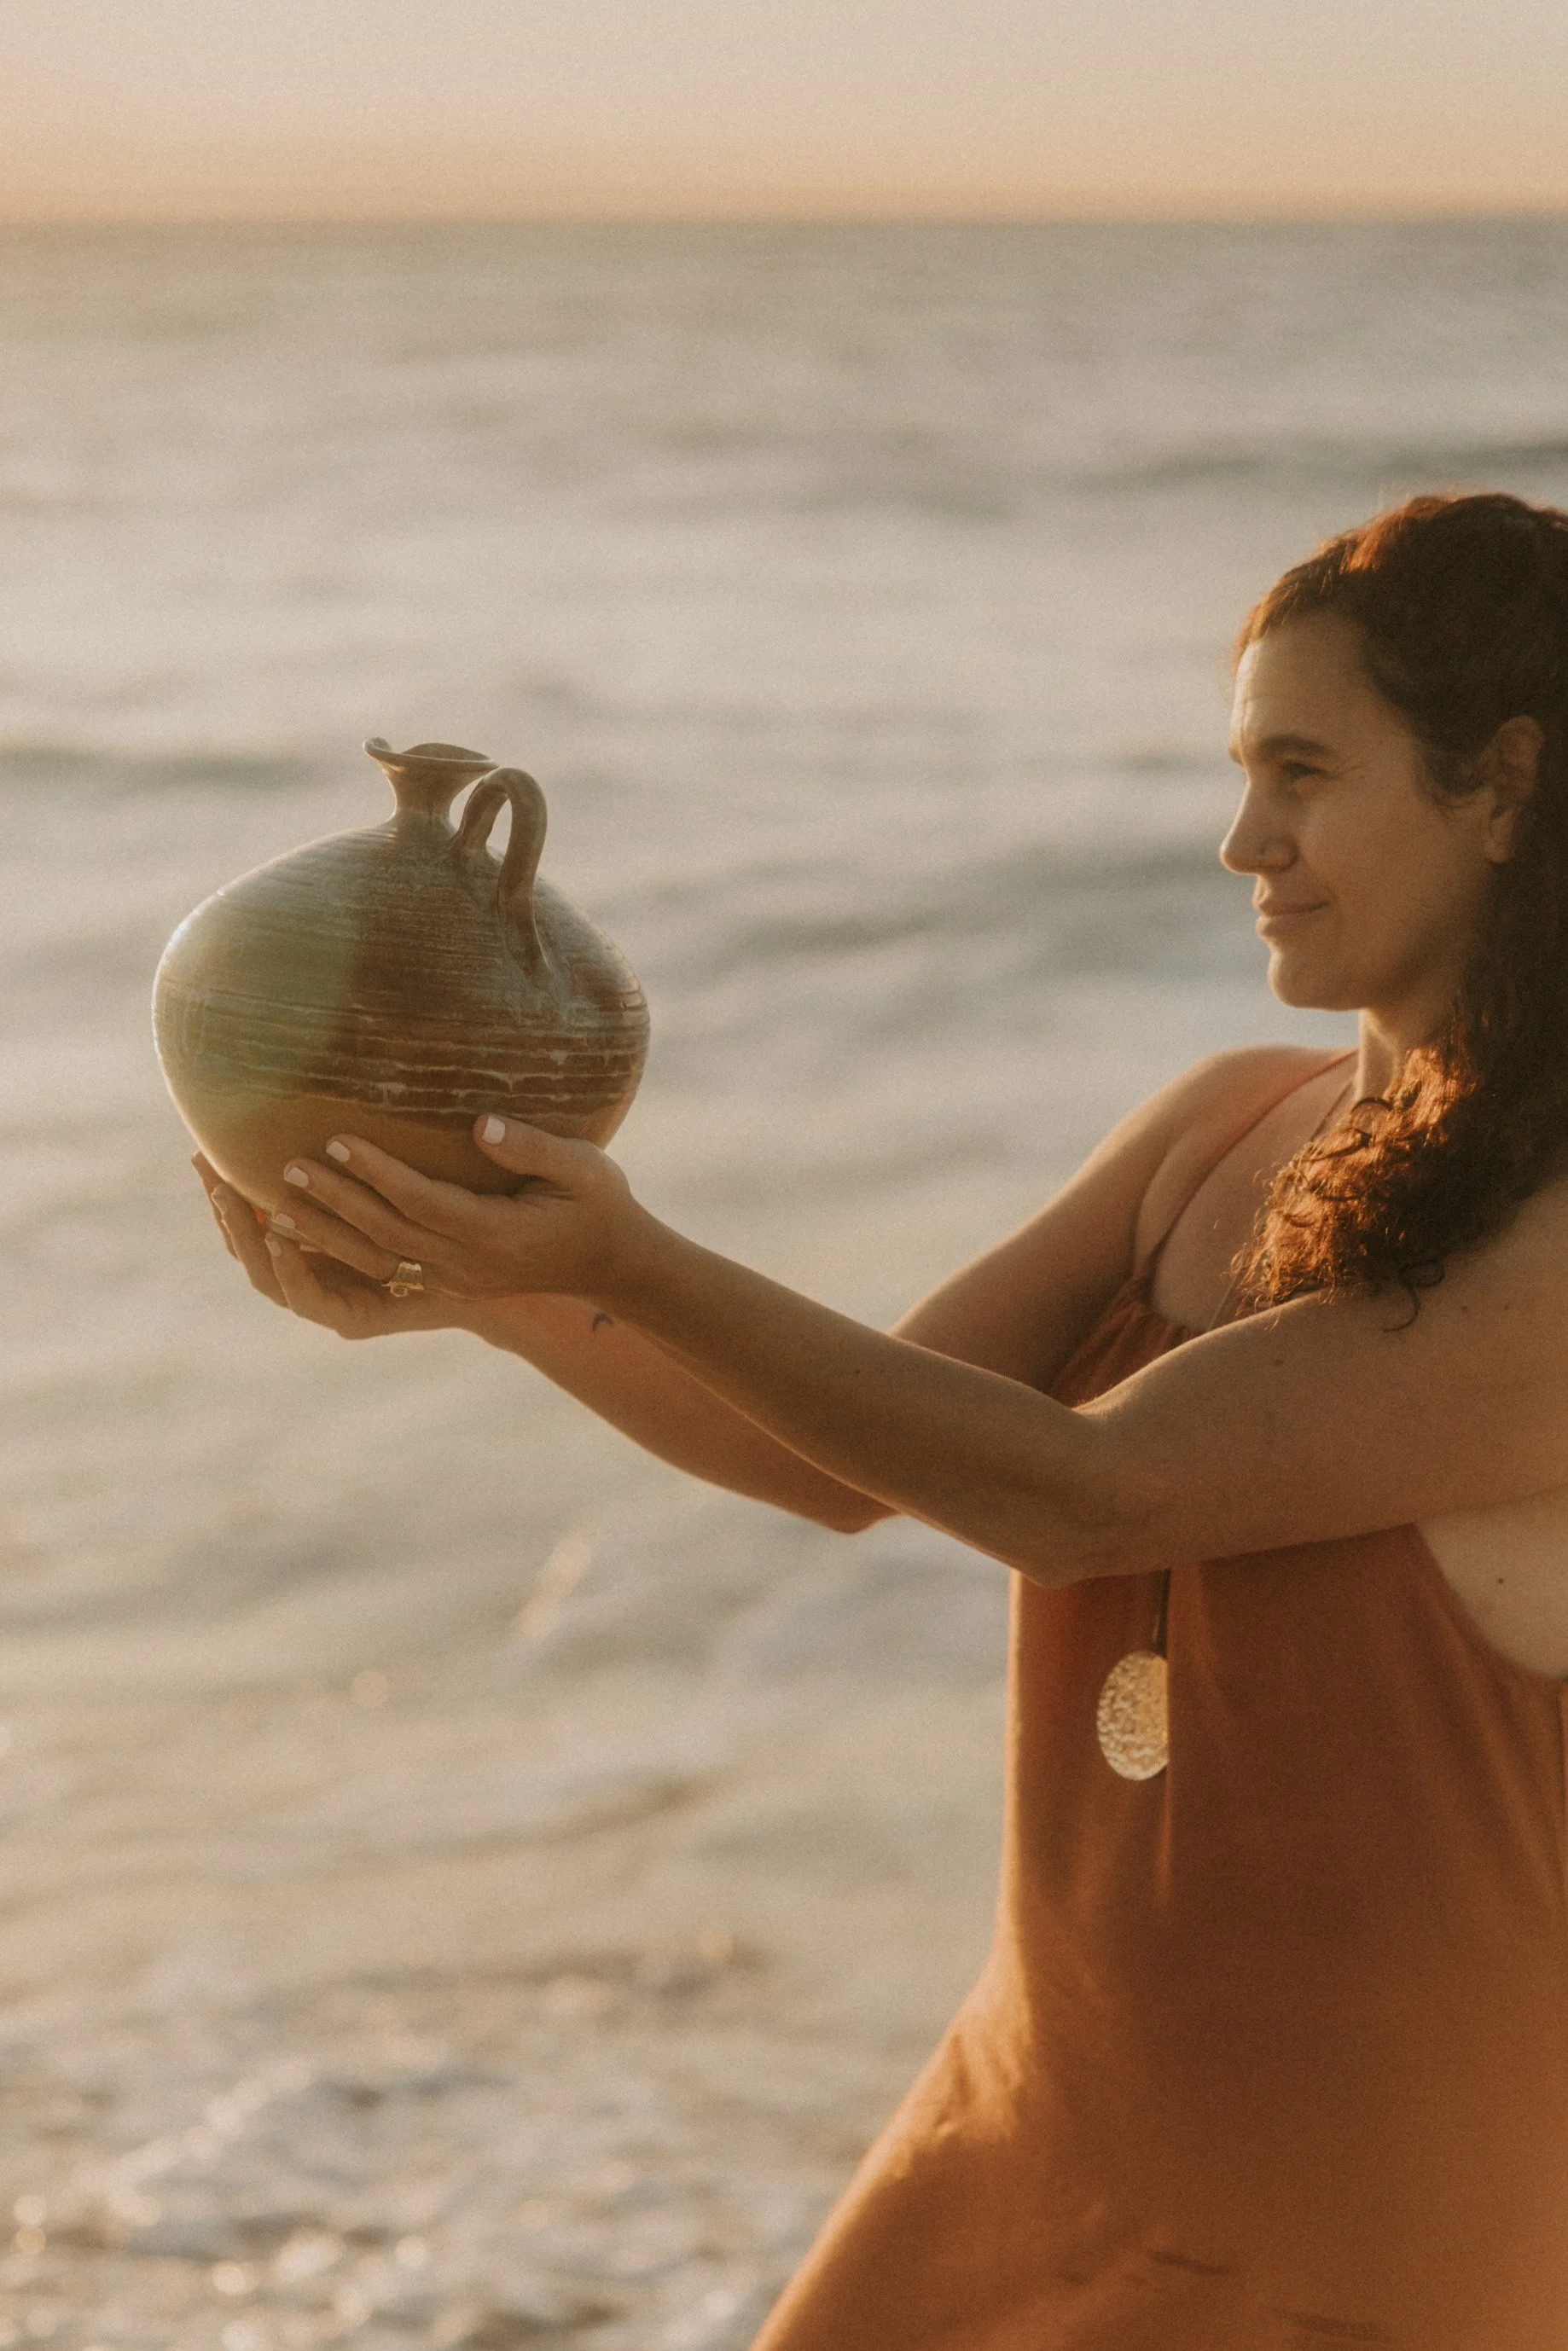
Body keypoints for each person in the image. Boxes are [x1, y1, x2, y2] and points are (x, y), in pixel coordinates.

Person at [200, 491, 1568, 2348]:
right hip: (1033, 2123)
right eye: (1239, 769)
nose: (1241, 838)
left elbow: (1089, 1494)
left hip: (1361, 2232)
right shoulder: (1218, 1126)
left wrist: (641, 1256)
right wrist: (482, 1283)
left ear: (1501, 785)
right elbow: (836, 1460)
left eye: (1302, 774)